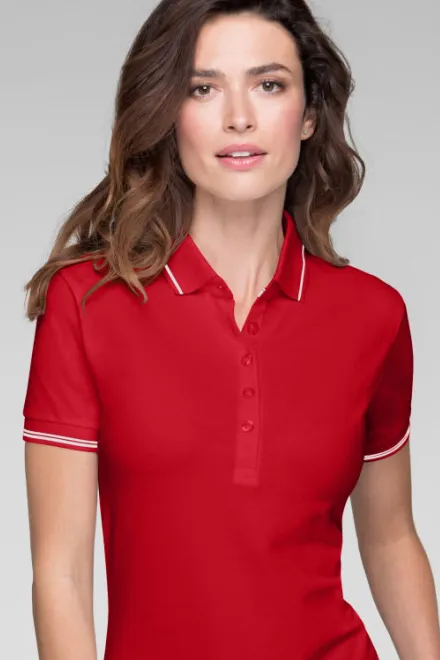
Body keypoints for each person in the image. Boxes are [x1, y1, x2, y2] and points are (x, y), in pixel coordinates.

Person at [21, 0, 440, 659]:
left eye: (268, 84)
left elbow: (390, 538)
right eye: (203, 88)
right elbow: (62, 576)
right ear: (168, 113)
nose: (238, 116)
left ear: (308, 114)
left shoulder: (374, 315)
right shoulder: (87, 303)